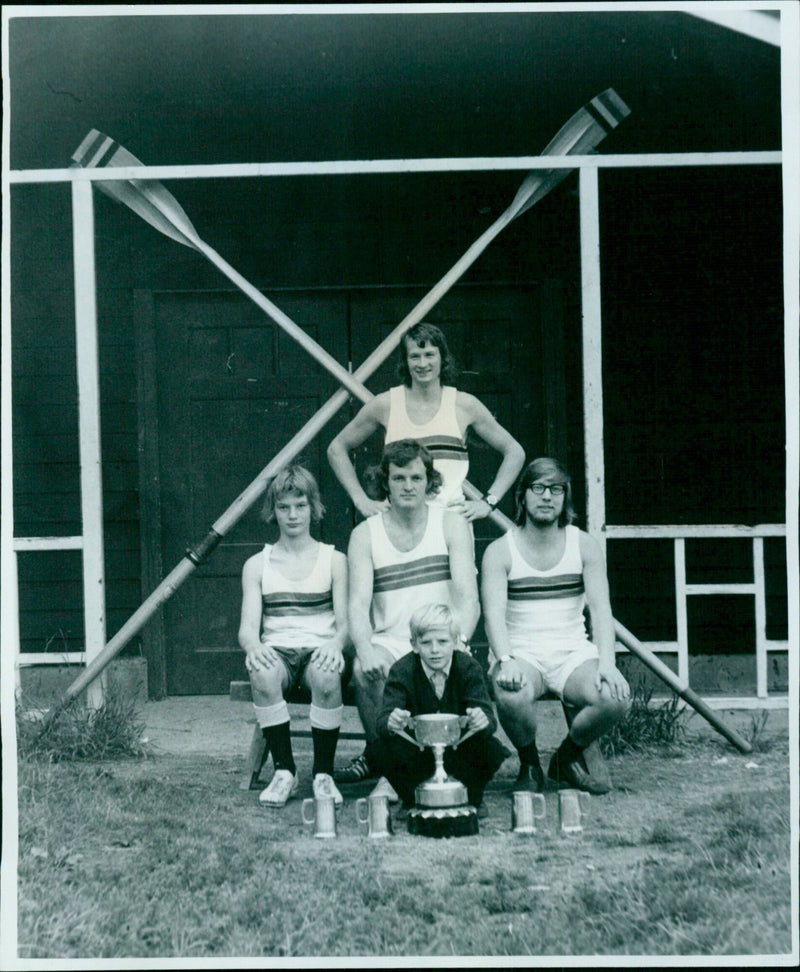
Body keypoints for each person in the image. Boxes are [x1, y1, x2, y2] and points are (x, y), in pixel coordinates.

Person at [336, 439, 479, 792]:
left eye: (416, 478)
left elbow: (468, 601)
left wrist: (456, 643)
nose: (408, 486)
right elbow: (357, 605)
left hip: (440, 639)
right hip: (391, 640)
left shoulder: (451, 524)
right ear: (385, 481)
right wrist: (365, 649)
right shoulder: (364, 534)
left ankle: (439, 769)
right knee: (362, 670)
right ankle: (388, 767)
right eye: (399, 478)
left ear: (429, 481)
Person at [481, 457, 631, 795]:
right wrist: (505, 661)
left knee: (615, 698)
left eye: (556, 489)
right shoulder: (500, 551)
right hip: (522, 654)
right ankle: (529, 763)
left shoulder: (584, 545)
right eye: (538, 488)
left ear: (565, 498)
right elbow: (493, 615)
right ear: (522, 497)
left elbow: (601, 609)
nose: (547, 496)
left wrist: (607, 663)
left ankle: (566, 757)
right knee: (511, 693)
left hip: (572, 653)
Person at [327, 321, 525, 521]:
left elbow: (515, 451)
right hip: (399, 523)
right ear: (405, 361)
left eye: (429, 354)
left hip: (450, 523)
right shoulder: (385, 404)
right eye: (415, 356)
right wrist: (360, 499)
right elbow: (337, 448)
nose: (423, 364)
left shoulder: (464, 404)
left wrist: (488, 502)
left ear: (442, 358)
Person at [237, 465, 349, 808]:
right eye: (284, 507)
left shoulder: (335, 560)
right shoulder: (258, 563)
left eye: (300, 505)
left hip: (320, 650)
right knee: (261, 670)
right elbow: (247, 628)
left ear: (313, 507)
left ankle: (323, 774)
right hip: (280, 653)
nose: (292, 514)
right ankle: (284, 771)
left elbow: (345, 624)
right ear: (273, 511)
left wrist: (335, 644)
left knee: (329, 676)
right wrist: (254, 646)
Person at [375, 603, 508, 817]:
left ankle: (472, 797)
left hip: (458, 750)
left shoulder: (469, 668)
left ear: (455, 642)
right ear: (414, 645)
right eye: (426, 643)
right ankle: (412, 800)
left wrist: (481, 720)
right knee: (380, 749)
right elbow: (382, 720)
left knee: (490, 748)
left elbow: (490, 720)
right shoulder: (401, 670)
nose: (435, 650)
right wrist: (392, 721)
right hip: (418, 752)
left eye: (443, 642)